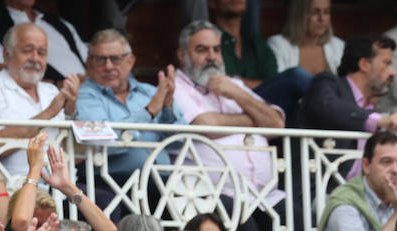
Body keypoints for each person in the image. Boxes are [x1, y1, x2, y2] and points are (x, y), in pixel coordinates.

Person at [171, 21, 284, 218]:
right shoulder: (175, 87)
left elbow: (276, 124)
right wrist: (255, 121)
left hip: (266, 196)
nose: (212, 57)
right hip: (211, 193)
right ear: (182, 55)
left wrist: (239, 94)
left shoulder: (233, 85)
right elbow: (206, 125)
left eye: (216, 49)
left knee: (300, 230)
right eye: (202, 50)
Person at [75, 30, 178, 183]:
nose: (108, 66)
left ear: (130, 61)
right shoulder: (83, 97)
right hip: (110, 184)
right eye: (100, 60)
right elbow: (98, 143)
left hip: (163, 182)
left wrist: (168, 109)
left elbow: (180, 141)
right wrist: (148, 112)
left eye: (115, 59)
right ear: (89, 63)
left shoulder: (151, 92)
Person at [0, 23, 80, 168]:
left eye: (41, 53)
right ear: (6, 54)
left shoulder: (51, 91)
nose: (35, 58)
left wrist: (70, 111)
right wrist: (49, 112)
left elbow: (77, 154)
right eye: (27, 50)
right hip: (13, 186)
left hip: (58, 187)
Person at [300, 35, 397, 134]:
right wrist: (380, 120)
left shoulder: (373, 110)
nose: (393, 72)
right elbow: (326, 106)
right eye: (386, 63)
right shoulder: (327, 83)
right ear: (364, 65)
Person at [269, 0, 344, 76]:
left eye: (326, 12)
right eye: (314, 12)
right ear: (298, 14)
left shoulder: (339, 45)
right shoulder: (278, 44)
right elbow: (277, 83)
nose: (322, 19)